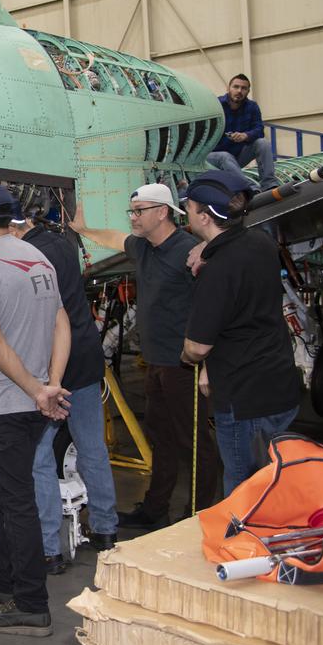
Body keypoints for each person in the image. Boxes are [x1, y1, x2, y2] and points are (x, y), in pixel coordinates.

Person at [0, 181, 71, 639]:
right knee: (10, 492)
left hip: (2, 403)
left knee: (16, 500)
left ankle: (32, 604)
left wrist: (34, 388)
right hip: (34, 402)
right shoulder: (36, 256)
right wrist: (50, 384)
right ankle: (1, 582)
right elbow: (61, 322)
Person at [70, 183, 220, 526]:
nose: (133, 218)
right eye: (132, 212)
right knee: (162, 440)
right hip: (156, 362)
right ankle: (156, 511)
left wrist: (208, 363)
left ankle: (199, 514)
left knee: (194, 443)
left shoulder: (189, 250)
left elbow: (213, 306)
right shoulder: (143, 247)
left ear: (162, 212)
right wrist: (84, 231)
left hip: (186, 364)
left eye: (139, 211)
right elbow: (114, 238)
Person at [9, 212, 118, 573]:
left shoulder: (28, 257)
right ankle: (105, 531)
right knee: (92, 447)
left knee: (39, 457)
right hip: (85, 358)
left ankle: (49, 549)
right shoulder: (60, 243)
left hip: (50, 365)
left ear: (13, 228)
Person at [180, 171, 301, 494]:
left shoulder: (217, 272)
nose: (187, 214)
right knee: (278, 482)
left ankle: (248, 544)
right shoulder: (261, 243)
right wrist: (205, 250)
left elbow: (198, 346)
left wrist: (189, 356)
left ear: (204, 217)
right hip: (279, 385)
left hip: (243, 400)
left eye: (189, 208)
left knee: (243, 490)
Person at [208, 74, 278, 191]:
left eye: (243, 88)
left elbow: (259, 130)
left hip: (236, 157)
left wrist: (246, 136)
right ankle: (250, 189)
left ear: (248, 91)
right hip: (213, 158)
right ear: (228, 88)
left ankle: (269, 184)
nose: (239, 91)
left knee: (262, 143)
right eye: (236, 87)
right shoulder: (216, 105)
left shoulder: (252, 107)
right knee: (225, 156)